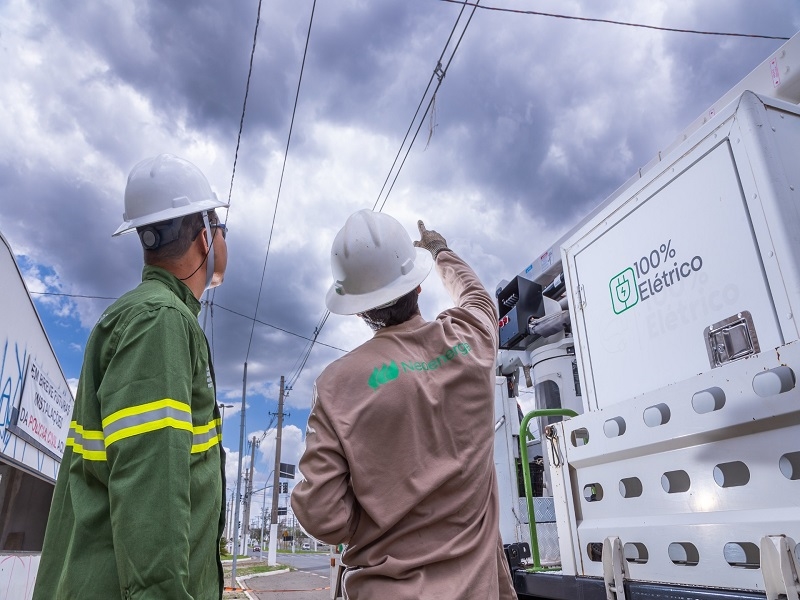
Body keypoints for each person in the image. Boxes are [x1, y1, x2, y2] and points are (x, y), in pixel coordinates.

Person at [291, 209, 517, 600]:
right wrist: (440, 251)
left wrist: (378, 516)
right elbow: (478, 299)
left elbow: (322, 514)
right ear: (418, 286)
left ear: (359, 309)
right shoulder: (471, 342)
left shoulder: (337, 384)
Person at [33, 154, 229, 600]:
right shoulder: (160, 320)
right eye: (222, 228)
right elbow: (151, 490)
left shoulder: (148, 316)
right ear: (205, 236)